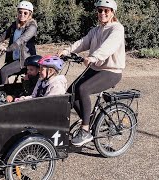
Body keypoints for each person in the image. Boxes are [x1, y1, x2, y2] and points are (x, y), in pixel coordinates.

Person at [57, 0, 125, 146]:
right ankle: (90, 121)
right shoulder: (96, 29)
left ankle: (85, 130)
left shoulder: (117, 29)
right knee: (72, 92)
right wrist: (67, 51)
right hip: (95, 68)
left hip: (111, 71)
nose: (102, 13)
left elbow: (109, 46)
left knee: (83, 89)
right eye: (100, 10)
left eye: (107, 10)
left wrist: (94, 57)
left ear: (113, 12)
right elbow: (83, 42)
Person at [0, 1, 37, 85]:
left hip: (24, 60)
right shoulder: (15, 25)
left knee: (4, 72)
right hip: (14, 59)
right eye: (20, 12)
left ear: (30, 14)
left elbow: (21, 40)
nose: (22, 15)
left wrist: (7, 49)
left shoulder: (32, 27)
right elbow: (3, 36)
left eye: (25, 13)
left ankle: (6, 95)